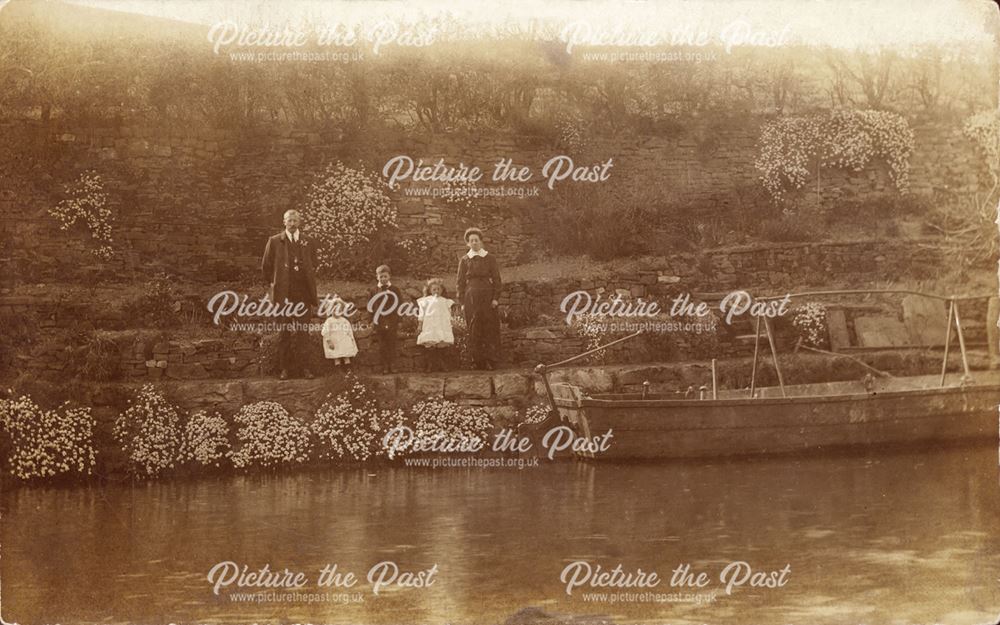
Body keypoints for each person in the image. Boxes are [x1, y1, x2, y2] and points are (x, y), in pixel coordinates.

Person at [261, 209, 318, 380]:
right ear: (284, 222)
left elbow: (313, 262)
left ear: (299, 222)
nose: (292, 224)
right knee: (284, 333)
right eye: (289, 220)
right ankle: (284, 369)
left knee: (303, 333)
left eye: (295, 220)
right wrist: (274, 283)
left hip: (303, 295)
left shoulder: (308, 241)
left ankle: (305, 369)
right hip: (283, 296)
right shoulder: (275, 241)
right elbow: (266, 266)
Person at [456, 227, 502, 370]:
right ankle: (477, 361)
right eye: (471, 241)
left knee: (489, 327)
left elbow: (497, 279)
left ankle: (490, 360)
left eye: (477, 240)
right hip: (471, 297)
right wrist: (462, 302)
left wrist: (495, 298)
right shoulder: (464, 260)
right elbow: (460, 282)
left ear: (481, 242)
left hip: (487, 295)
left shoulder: (490, 258)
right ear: (468, 244)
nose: (474, 243)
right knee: (474, 328)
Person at [416, 278, 455, 372]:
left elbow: (448, 314)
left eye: (438, 289)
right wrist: (420, 325)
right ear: (430, 290)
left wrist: (451, 323)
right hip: (430, 325)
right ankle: (430, 365)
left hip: (442, 324)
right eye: (434, 289)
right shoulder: (425, 301)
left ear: (441, 290)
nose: (436, 291)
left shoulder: (445, 301)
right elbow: (421, 314)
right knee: (431, 343)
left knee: (441, 343)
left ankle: (442, 364)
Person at [370, 264, 402, 374]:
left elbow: (400, 306)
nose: (383, 279)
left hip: (392, 320)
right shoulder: (374, 290)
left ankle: (392, 364)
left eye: (385, 276)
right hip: (379, 322)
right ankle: (384, 365)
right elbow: (371, 307)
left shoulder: (395, 289)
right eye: (381, 276)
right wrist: (372, 320)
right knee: (382, 345)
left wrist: (399, 320)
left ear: (389, 277)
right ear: (377, 277)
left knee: (391, 343)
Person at [321, 296, 358, 367]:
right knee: (336, 356)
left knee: (346, 355)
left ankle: (348, 371)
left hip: (343, 341)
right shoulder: (329, 321)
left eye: (340, 310)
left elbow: (349, 330)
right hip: (334, 341)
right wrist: (329, 341)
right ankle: (338, 371)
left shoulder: (344, 321)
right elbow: (325, 332)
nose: (337, 312)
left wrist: (351, 339)